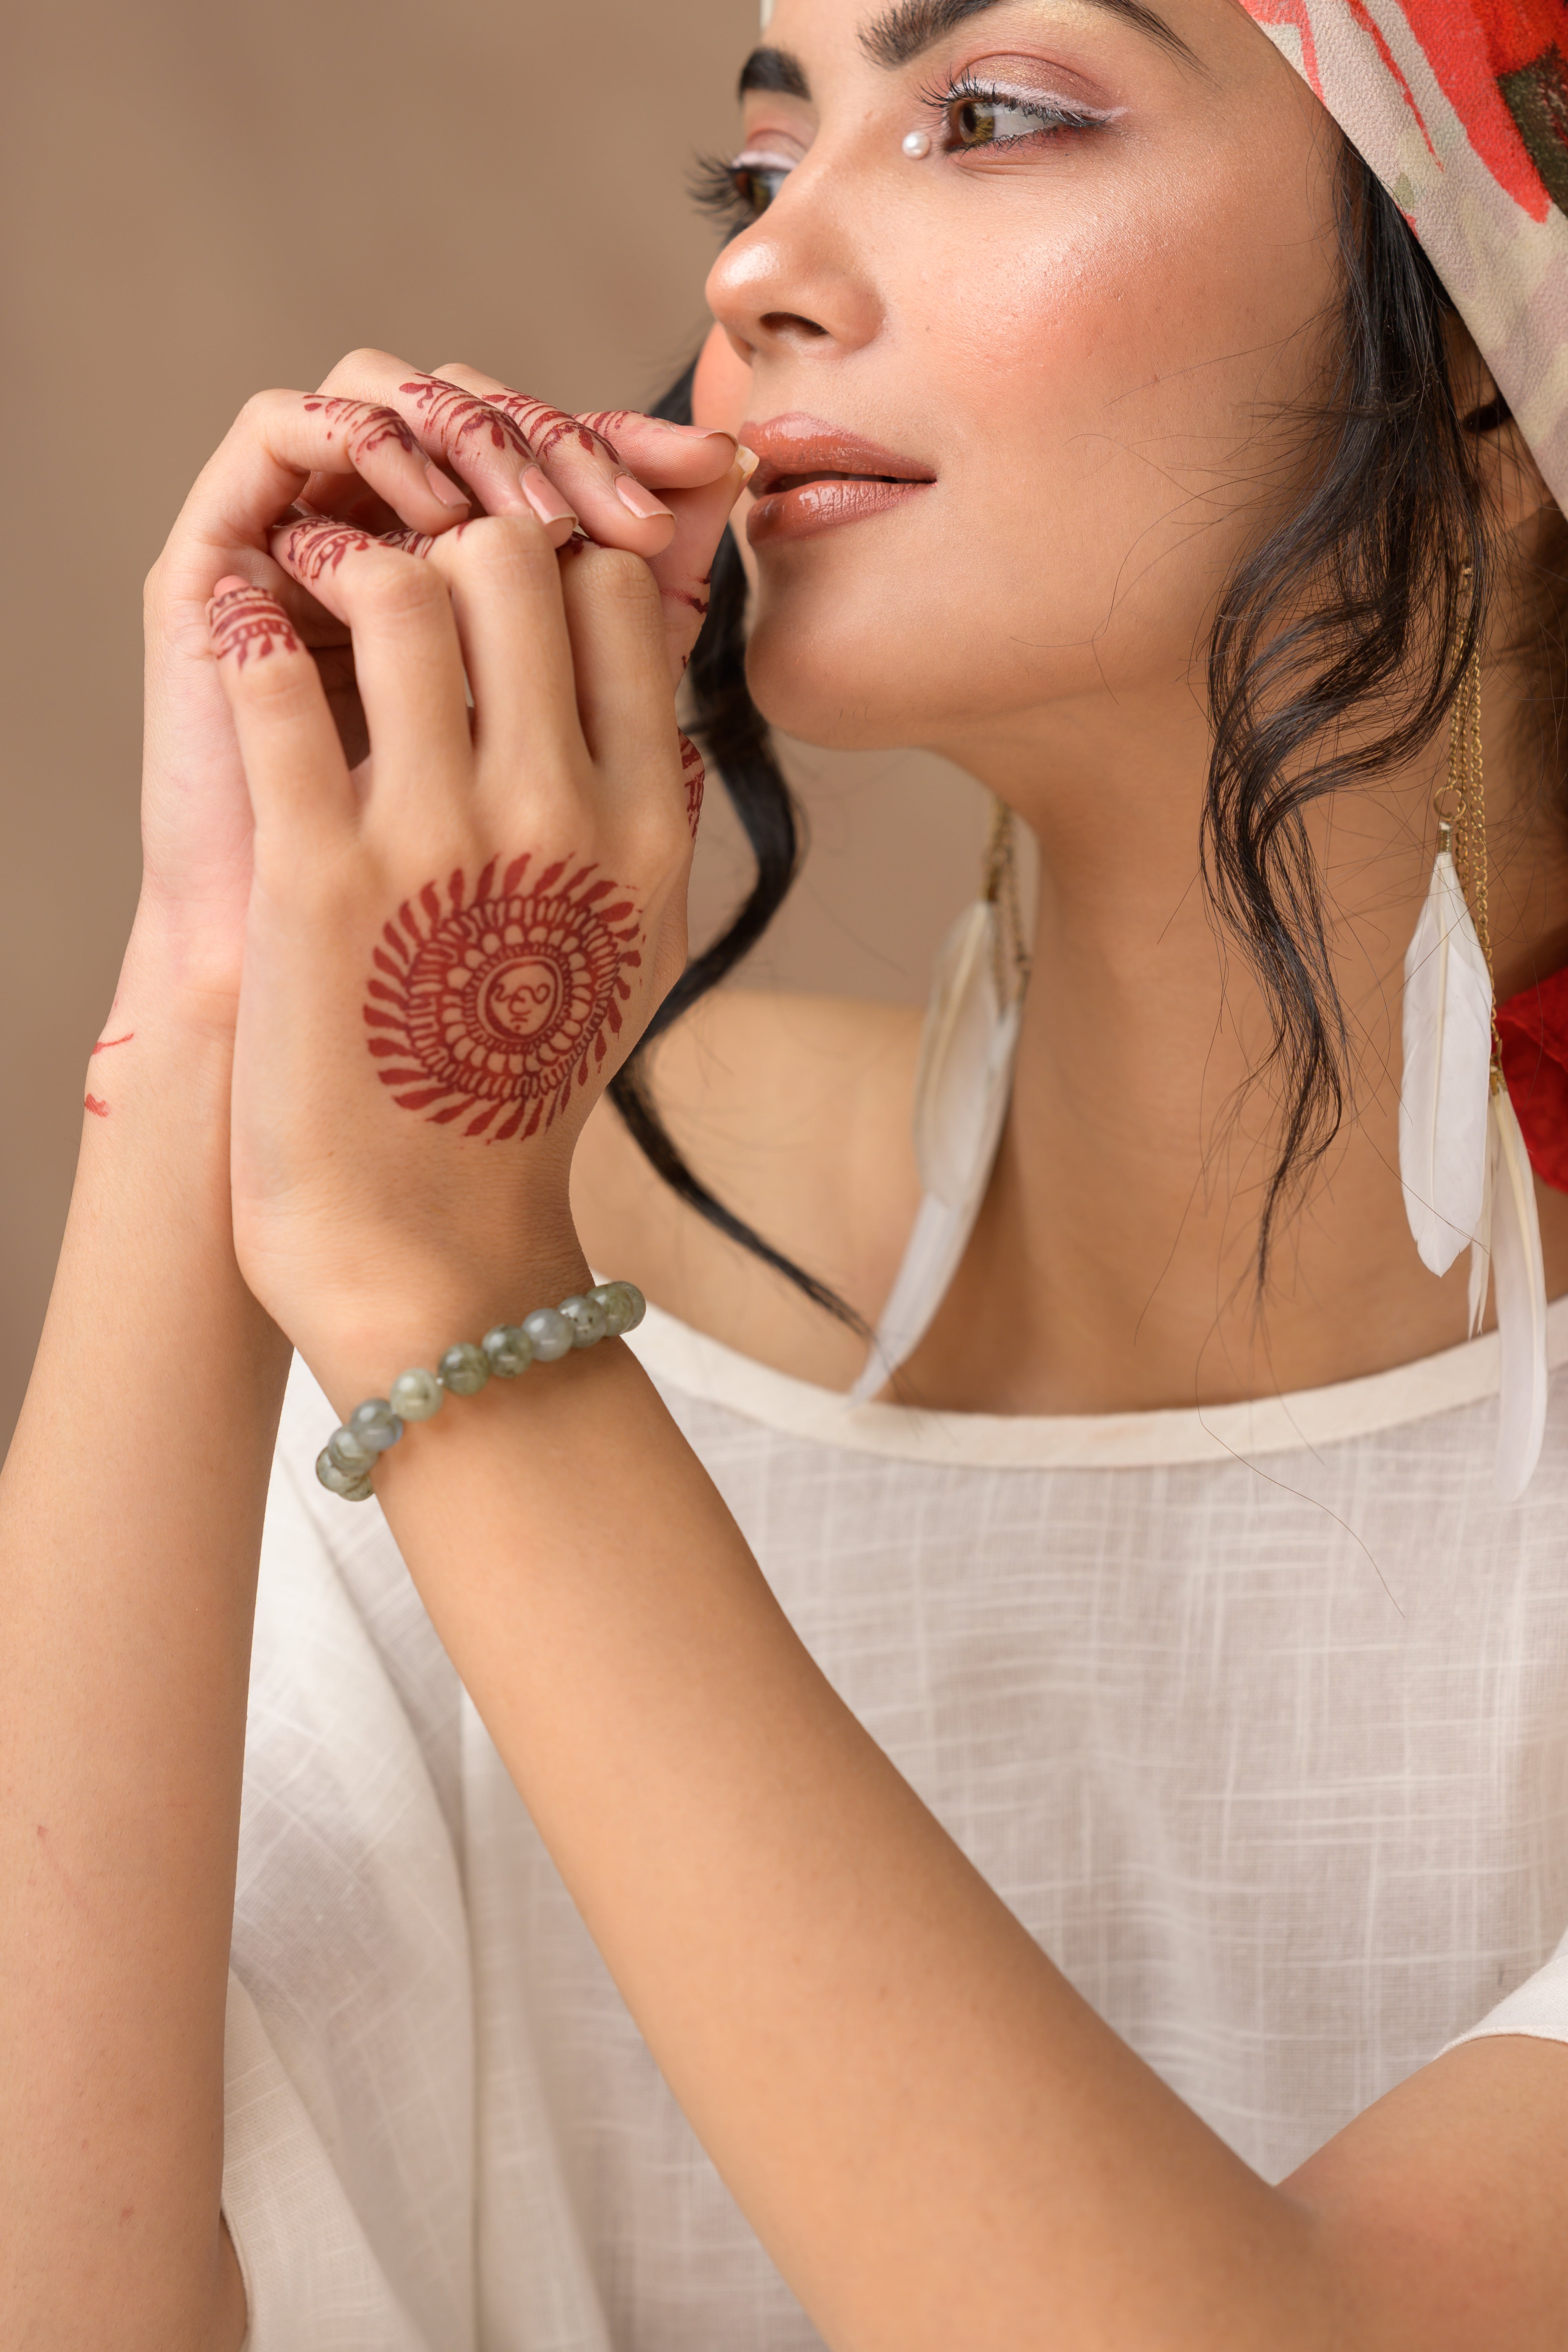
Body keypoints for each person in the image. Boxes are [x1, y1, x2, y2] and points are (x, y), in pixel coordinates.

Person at [5, 0, 1568, 2343]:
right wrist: (229, 969)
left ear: (1491, 323)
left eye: (995, 116)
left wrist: (461, 1324)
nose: (760, 278)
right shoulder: (555, 1188)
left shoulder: (468, 1238)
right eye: (761, 164)